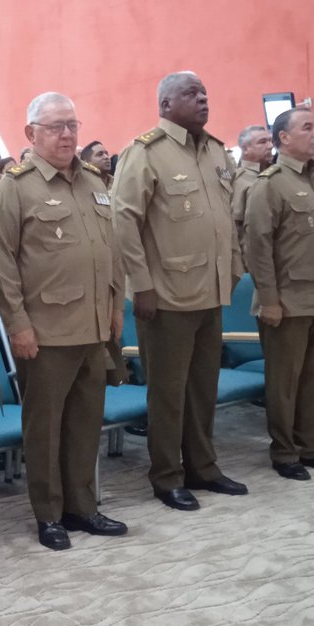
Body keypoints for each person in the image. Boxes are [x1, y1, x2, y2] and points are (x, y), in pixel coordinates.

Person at [0, 92, 127, 550]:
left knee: (86, 421)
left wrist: (113, 309)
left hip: (92, 326)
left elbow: (110, 252)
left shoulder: (94, 181)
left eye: (72, 125)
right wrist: (18, 325)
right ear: (31, 134)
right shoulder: (17, 185)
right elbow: (2, 262)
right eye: (55, 126)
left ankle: (83, 507)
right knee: (45, 427)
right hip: (45, 329)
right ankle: (49, 514)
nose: (67, 134)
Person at [112, 72, 248, 509]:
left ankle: (203, 467)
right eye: (192, 94)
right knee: (168, 393)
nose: (203, 99)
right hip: (166, 294)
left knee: (202, 387)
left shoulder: (215, 151)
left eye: (205, 92)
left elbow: (224, 217)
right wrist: (142, 286)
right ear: (166, 104)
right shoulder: (146, 152)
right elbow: (124, 221)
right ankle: (167, 475)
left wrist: (234, 269)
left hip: (210, 290)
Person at [244, 107, 314, 481]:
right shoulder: (270, 184)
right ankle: (285, 453)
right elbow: (257, 247)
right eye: (306, 127)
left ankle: (313, 448)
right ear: (284, 138)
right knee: (285, 384)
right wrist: (270, 299)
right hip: (288, 303)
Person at [232, 124, 274, 241]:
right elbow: (237, 229)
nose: (270, 146)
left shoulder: (272, 174)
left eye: (270, 141)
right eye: (262, 142)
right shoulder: (241, 180)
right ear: (245, 149)